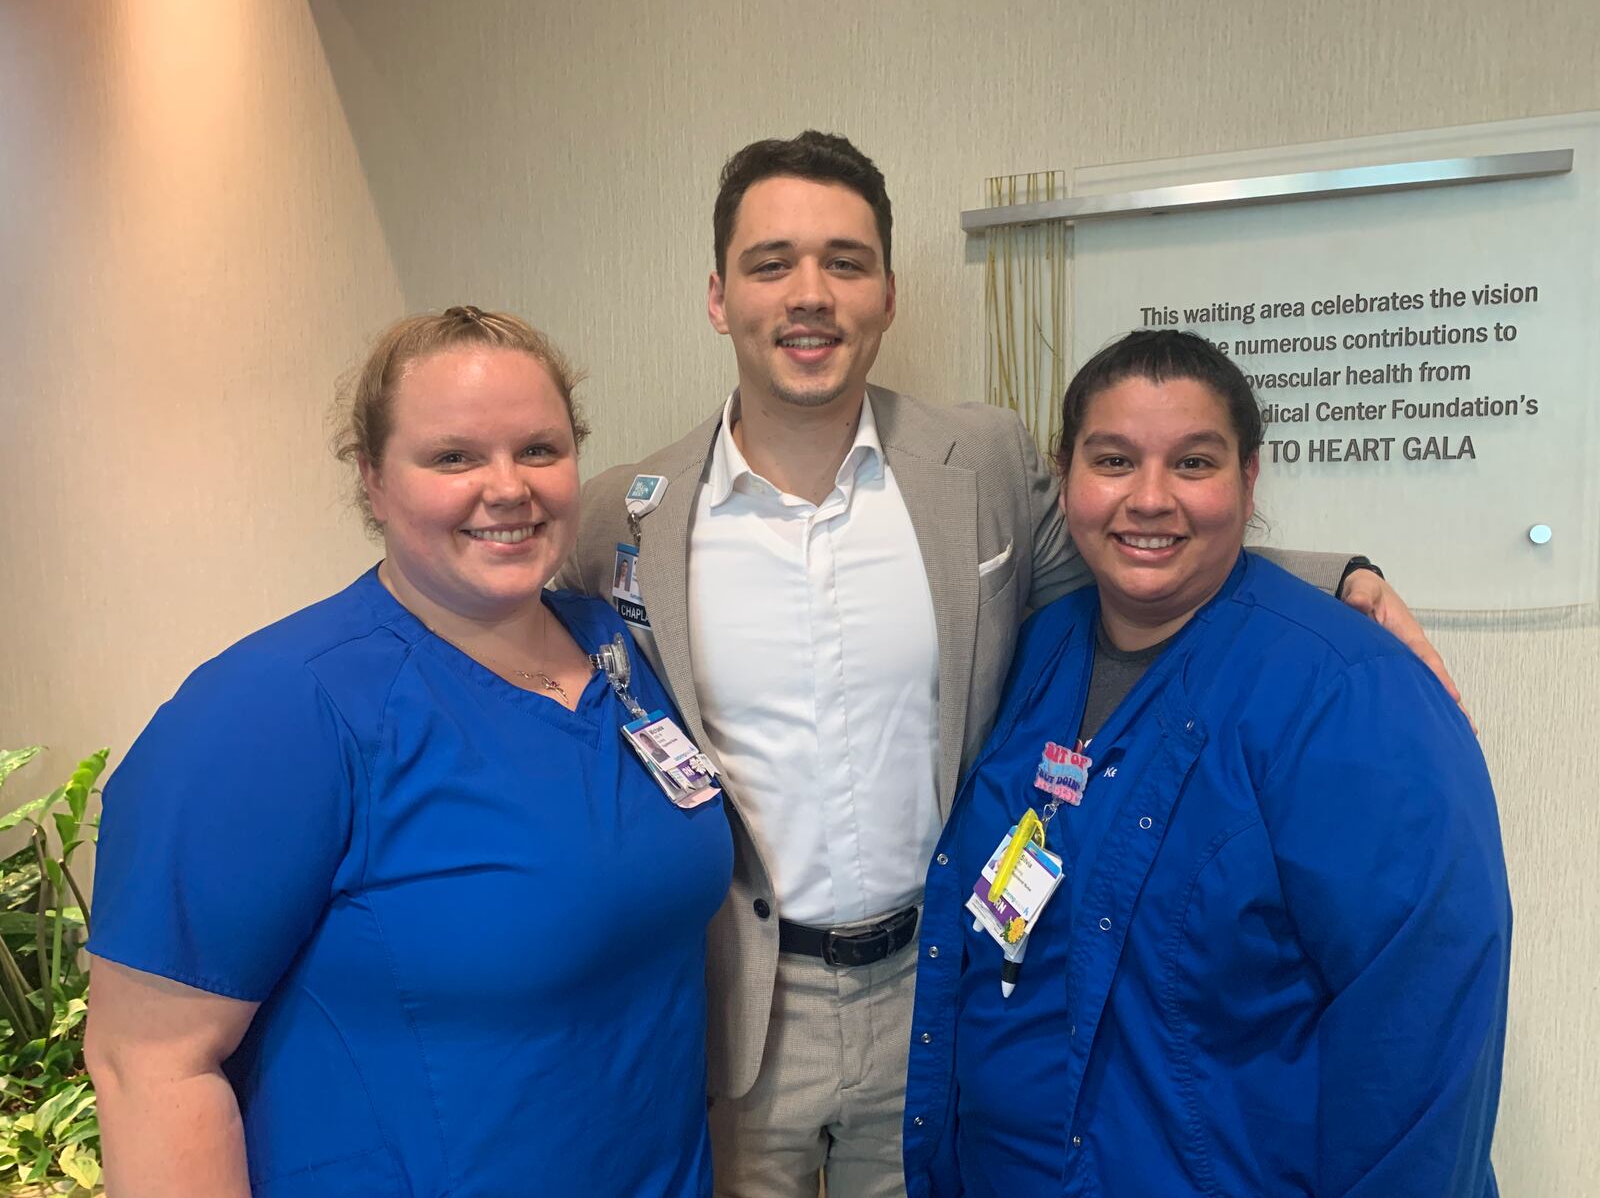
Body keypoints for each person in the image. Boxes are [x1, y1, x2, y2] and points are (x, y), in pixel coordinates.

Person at [558, 132, 1456, 1197]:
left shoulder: (974, 463)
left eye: (845, 263)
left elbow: (1124, 545)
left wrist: (1337, 577)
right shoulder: (626, 512)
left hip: (933, 987)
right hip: (745, 1011)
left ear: (887, 294)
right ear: (719, 296)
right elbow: (529, 645)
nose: (810, 295)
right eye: (771, 263)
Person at [84, 307, 733, 1198]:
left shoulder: (617, 652)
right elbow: (147, 1066)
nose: (508, 488)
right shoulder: (276, 709)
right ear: (373, 478)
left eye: (539, 450)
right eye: (453, 457)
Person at [902, 330, 1510, 1197]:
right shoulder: (1038, 653)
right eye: (1113, 460)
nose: (1149, 499)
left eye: (1194, 464)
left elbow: (1425, 1029)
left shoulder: (1350, 695)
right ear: (1065, 474)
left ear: (1249, 480)